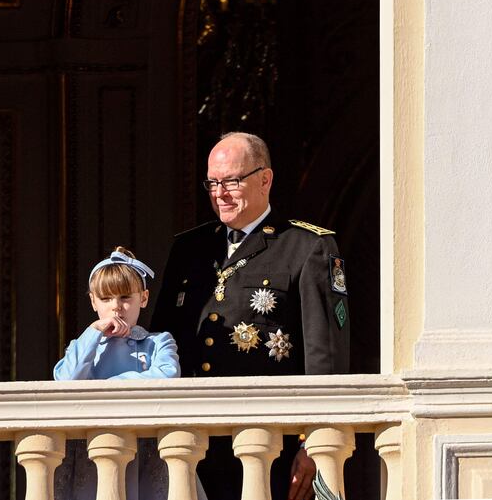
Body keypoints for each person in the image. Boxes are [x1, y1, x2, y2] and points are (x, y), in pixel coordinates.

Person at [150, 132, 350, 500]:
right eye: (212, 182)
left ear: (264, 179)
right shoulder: (188, 249)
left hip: (274, 444)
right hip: (194, 444)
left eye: (231, 181)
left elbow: (325, 358)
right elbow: (161, 341)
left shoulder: (307, 247)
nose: (219, 193)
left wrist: (314, 441)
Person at [54, 247, 206, 500]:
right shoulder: (81, 346)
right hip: (94, 448)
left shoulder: (158, 342)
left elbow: (166, 377)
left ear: (143, 298)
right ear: (93, 301)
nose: (116, 307)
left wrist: (105, 385)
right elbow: (67, 380)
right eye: (106, 299)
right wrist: (93, 332)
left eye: (125, 297)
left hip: (147, 451)